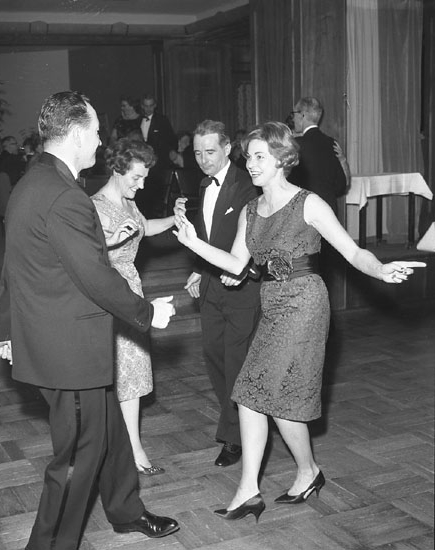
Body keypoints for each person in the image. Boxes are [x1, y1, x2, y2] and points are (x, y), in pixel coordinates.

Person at [173, 121, 425, 521]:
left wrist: (380, 269)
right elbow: (236, 264)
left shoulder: (308, 204)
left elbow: (352, 252)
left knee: (261, 394)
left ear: (282, 159)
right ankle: (300, 475)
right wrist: (194, 244)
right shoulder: (251, 210)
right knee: (263, 397)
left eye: (260, 157)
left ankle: (255, 487)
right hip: (272, 303)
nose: (251, 164)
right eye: (249, 157)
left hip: (305, 302)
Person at [0, 91, 180, 550]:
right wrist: (147, 312)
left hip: (58, 338)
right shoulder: (64, 195)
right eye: (96, 132)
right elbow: (95, 276)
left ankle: (125, 509)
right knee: (79, 454)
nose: (100, 141)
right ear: (77, 133)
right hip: (69, 351)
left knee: (109, 428)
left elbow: (14, 264)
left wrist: (5, 328)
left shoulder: (32, 182)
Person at [91, 138, 185, 475]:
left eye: (144, 178)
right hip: (107, 293)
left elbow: (144, 229)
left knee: (130, 372)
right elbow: (83, 255)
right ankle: (102, 448)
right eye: (136, 178)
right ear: (117, 170)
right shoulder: (94, 207)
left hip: (132, 289)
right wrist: (111, 240)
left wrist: (174, 219)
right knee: (107, 375)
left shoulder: (129, 202)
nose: (142, 185)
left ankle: (133, 447)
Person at [178, 120, 261, 469]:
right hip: (212, 283)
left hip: (241, 286)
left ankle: (235, 436)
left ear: (227, 148)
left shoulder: (247, 185)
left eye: (210, 151)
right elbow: (208, 233)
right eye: (198, 153)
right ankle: (239, 422)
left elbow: (254, 237)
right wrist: (199, 269)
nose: (203, 159)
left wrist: (241, 268)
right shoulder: (203, 183)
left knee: (236, 361)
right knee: (213, 356)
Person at [287, 97, 348, 215]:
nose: (293, 118)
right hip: (329, 211)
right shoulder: (332, 143)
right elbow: (340, 186)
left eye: (294, 114)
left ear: (302, 115)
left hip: (305, 212)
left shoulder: (296, 145)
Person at [137, 94, 177, 217]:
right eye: (146, 106)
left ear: (155, 106)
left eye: (151, 106)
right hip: (141, 162)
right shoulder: (138, 120)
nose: (148, 109)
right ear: (142, 106)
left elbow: (171, 140)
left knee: (155, 196)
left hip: (158, 165)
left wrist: (171, 152)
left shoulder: (162, 120)